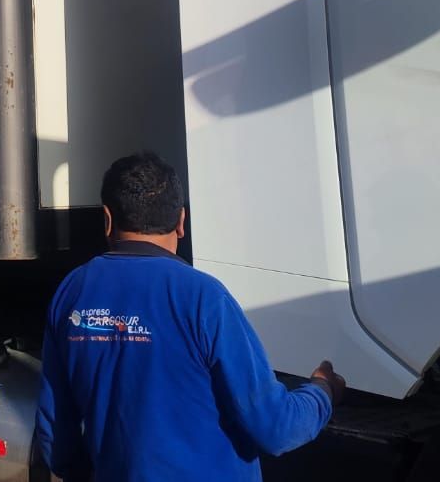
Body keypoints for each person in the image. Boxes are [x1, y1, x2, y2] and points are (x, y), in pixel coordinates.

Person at [35, 151, 343, 480]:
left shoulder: (72, 292)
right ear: (182, 222)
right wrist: (323, 392)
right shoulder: (203, 297)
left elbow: (56, 435)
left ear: (107, 218)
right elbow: (276, 428)